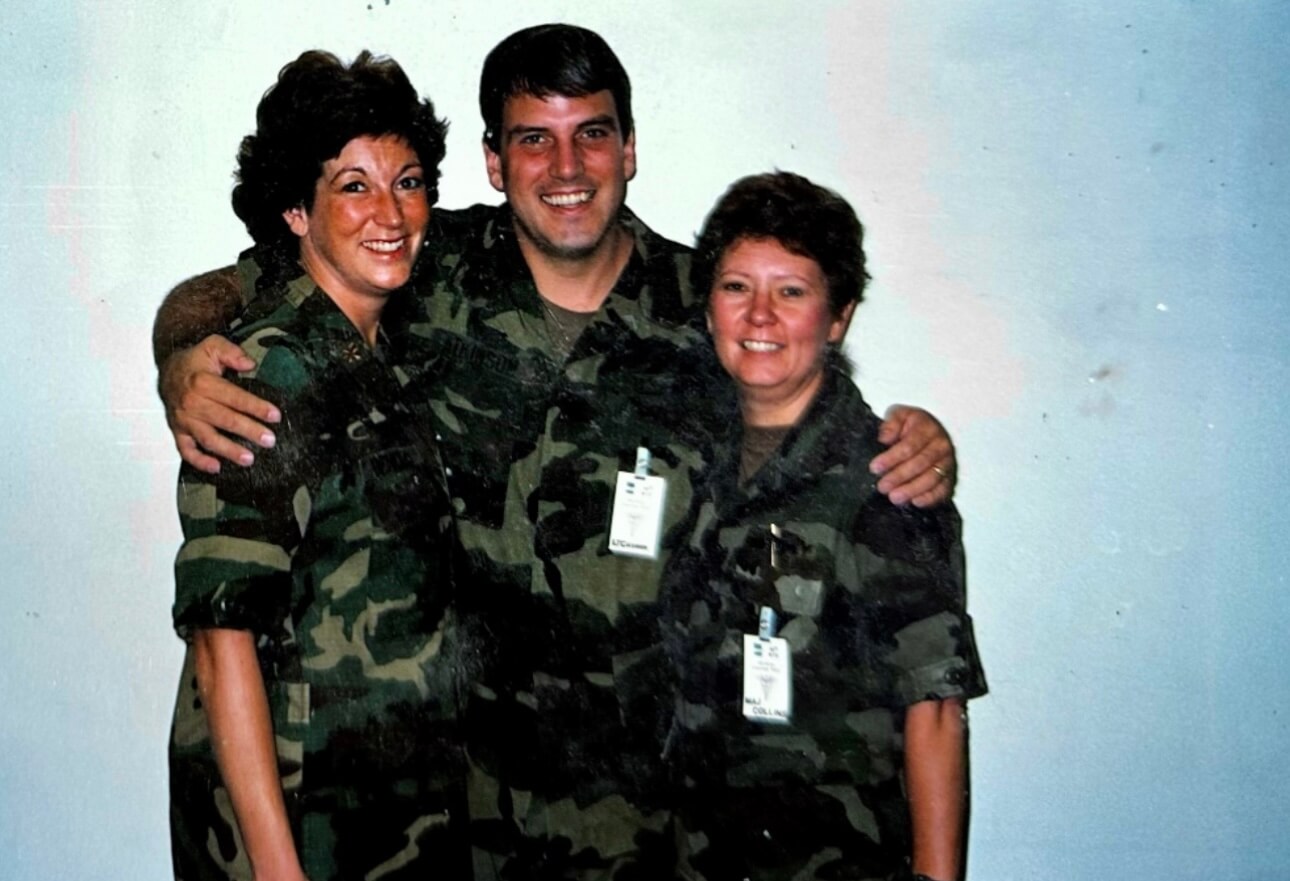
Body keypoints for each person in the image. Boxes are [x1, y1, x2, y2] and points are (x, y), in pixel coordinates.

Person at [153, 25, 958, 880]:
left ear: (631, 149)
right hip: (447, 817)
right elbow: (229, 292)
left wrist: (921, 444)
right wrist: (181, 358)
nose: (566, 169)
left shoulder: (710, 309)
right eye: (535, 138)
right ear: (497, 164)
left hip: (636, 823)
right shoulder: (422, 262)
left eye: (593, 134)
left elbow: (824, 437)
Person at [167, 50, 470, 881]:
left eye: (408, 182)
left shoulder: (385, 356)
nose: (390, 213)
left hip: (380, 818)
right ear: (297, 211)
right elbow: (221, 640)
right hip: (296, 828)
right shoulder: (273, 371)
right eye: (354, 186)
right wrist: (277, 869)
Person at [660, 172, 987, 881]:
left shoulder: (890, 480)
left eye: (792, 291)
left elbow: (933, 713)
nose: (760, 316)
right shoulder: (684, 460)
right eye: (737, 286)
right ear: (708, 306)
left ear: (838, 317)